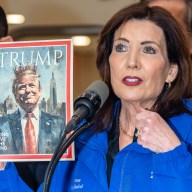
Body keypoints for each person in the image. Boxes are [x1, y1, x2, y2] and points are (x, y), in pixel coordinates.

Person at [1, 1, 192, 191]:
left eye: (148, 49)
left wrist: (172, 157)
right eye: (121, 48)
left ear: (171, 71)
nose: (132, 62)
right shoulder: (82, 137)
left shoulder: (186, 131)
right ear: (108, 61)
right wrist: (3, 169)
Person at [0, 65, 65, 154]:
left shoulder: (59, 124)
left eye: (32, 85)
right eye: (22, 87)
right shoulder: (2, 124)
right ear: (15, 93)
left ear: (40, 90)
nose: (28, 90)